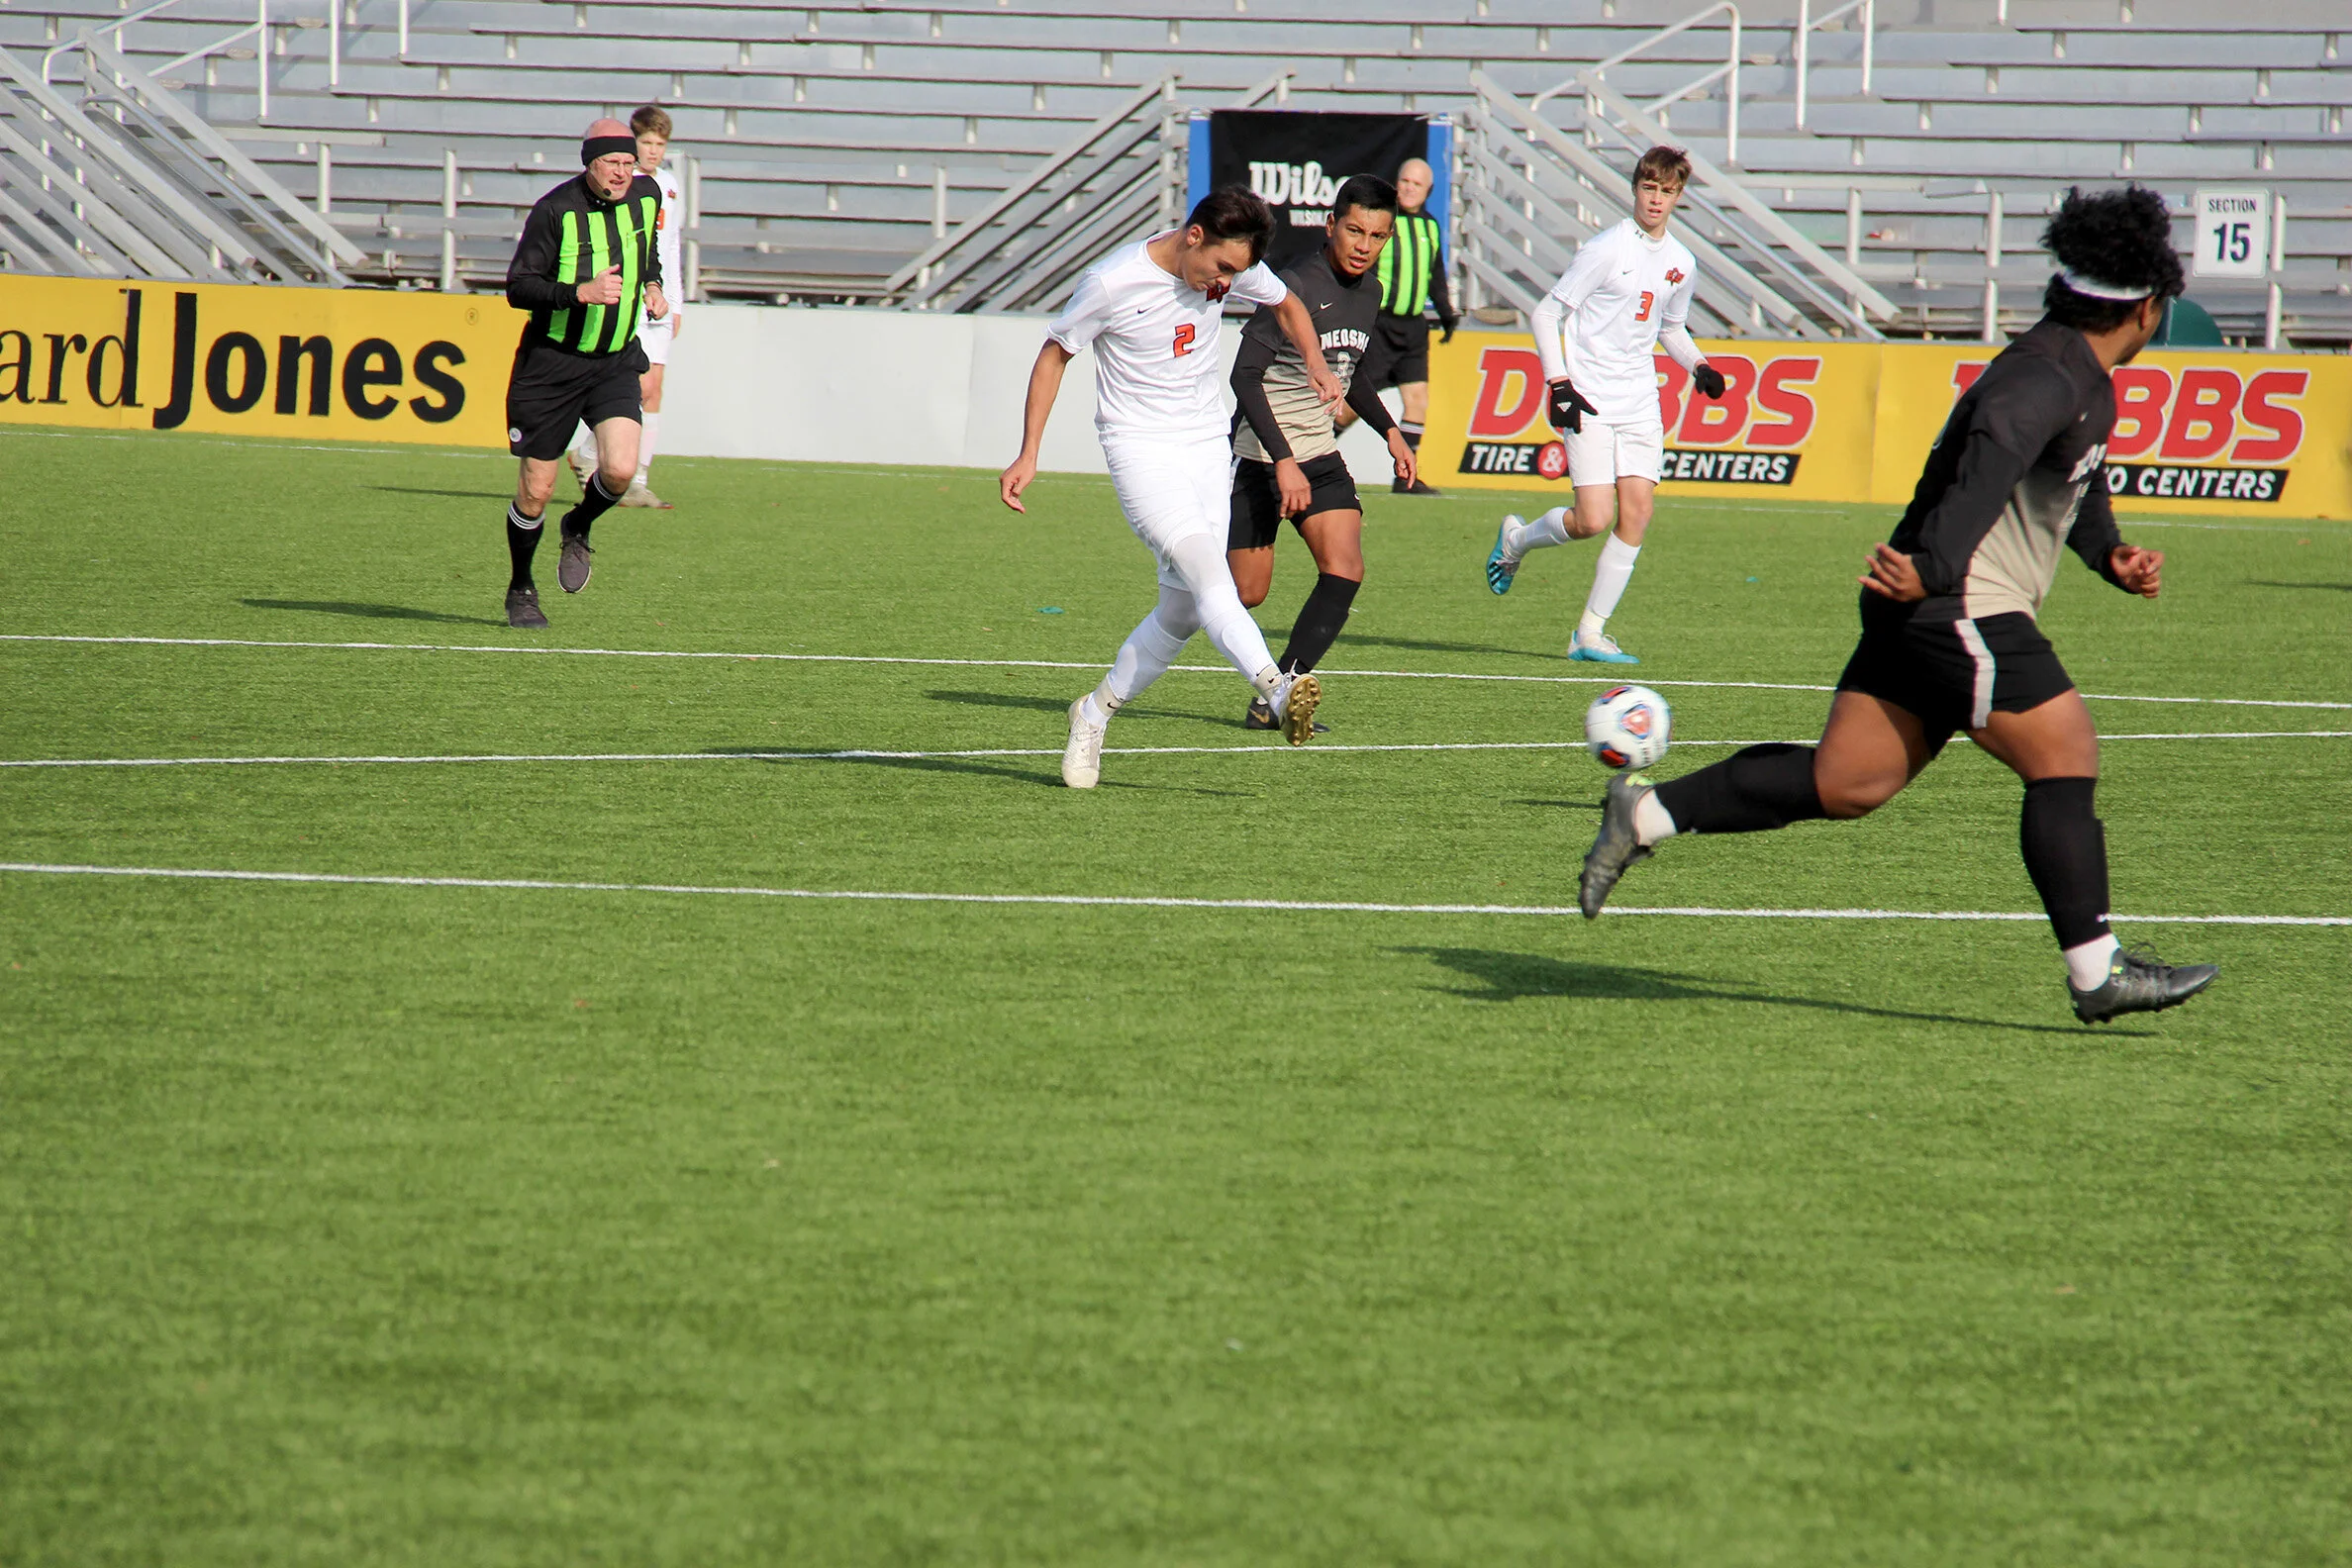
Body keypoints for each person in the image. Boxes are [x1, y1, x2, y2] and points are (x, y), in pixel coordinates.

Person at [1577, 185, 2218, 1027]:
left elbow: (2071, 480)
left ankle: (1647, 811)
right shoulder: (2045, 377)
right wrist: (1937, 567)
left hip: (1921, 600)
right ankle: (2098, 974)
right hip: (1954, 602)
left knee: (1848, 781)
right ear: (2146, 308)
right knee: (2065, 753)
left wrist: (2110, 554)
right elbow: (1989, 456)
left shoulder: (2078, 376)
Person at [1000, 188, 1346, 789]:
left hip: (1207, 447)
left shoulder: (1230, 265)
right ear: (1194, 236)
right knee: (1211, 574)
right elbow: (1055, 355)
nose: (1226, 283)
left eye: (1236, 273)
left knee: (1183, 611)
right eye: (1222, 268)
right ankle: (1276, 686)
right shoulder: (1111, 282)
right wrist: (1030, 451)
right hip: (1140, 450)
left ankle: (1093, 714)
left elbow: (1287, 303)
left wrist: (1314, 362)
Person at [1483, 146, 1726, 665]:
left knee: (1638, 513)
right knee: (1593, 519)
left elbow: (1671, 328)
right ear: (1635, 188)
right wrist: (1559, 384)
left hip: (1640, 401)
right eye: (1648, 188)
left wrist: (1699, 365)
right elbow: (1546, 314)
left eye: (1666, 191)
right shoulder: (1605, 249)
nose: (1655, 199)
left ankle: (1589, 634)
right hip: (1588, 398)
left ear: (1678, 195)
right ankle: (1517, 541)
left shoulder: (1682, 263)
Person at [1227, 173, 1419, 732]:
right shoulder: (1292, 286)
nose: (1364, 245)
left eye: (1377, 236)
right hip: (1259, 456)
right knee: (1246, 593)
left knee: (1345, 569)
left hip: (1317, 454)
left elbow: (1346, 371)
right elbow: (1244, 376)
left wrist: (1389, 431)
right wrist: (1282, 461)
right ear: (1331, 225)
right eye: (1355, 231)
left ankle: (1277, 695)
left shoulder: (1371, 292)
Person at [499, 118, 667, 629]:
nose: (622, 173)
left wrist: (653, 285)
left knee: (619, 470)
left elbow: (648, 251)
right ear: (589, 163)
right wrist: (579, 293)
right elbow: (518, 287)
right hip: (551, 366)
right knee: (536, 490)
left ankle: (578, 524)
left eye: (628, 162)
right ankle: (521, 587)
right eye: (612, 162)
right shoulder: (555, 210)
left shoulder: (647, 195)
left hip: (614, 361)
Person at [572, 105, 684, 509]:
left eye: (660, 144)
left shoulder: (668, 185)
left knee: (654, 388)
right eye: (646, 143)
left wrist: (676, 300)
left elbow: (669, 245)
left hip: (659, 296)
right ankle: (594, 455)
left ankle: (635, 478)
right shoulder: (620, 183)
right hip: (628, 296)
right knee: (635, 385)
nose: (653, 151)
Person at [1335, 155, 1457, 495]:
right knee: (1351, 407)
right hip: (1380, 325)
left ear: (1428, 190)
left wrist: (1446, 312)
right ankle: (1310, 457)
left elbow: (1435, 274)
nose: (1409, 188)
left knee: (1418, 400)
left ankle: (1405, 478)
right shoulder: (1383, 224)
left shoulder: (1430, 227)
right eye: (1404, 181)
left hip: (1414, 328)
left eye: (1417, 184)